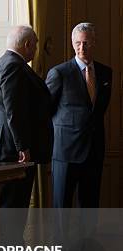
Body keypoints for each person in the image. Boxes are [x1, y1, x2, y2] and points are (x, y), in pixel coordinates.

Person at [0, 26, 53, 251]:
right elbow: (14, 111)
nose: (36, 49)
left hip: (11, 147)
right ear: (27, 44)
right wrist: (22, 147)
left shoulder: (7, 63)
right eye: (35, 44)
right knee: (13, 209)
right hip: (13, 150)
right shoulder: (13, 66)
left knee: (15, 208)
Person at [46, 23, 112, 209]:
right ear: (72, 44)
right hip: (65, 151)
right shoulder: (59, 73)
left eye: (86, 43)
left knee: (90, 204)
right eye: (77, 43)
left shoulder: (106, 73)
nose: (81, 48)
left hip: (94, 150)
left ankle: (87, 239)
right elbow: (46, 111)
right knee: (62, 207)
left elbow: (99, 109)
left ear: (94, 43)